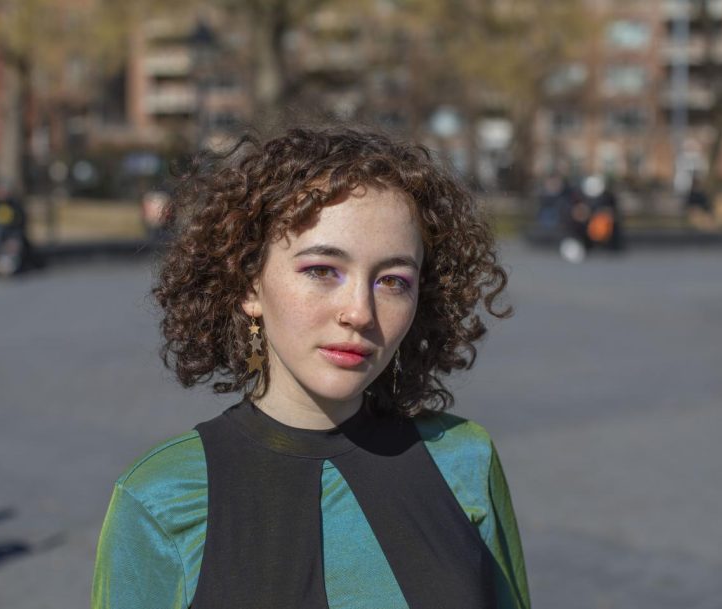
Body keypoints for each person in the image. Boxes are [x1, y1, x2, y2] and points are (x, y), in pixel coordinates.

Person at [91, 127, 530, 609]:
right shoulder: (160, 497)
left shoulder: (465, 462)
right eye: (322, 270)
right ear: (250, 285)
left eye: (393, 280)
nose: (359, 311)